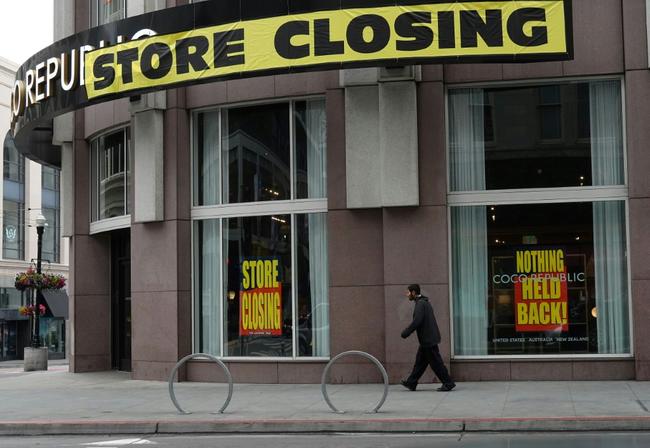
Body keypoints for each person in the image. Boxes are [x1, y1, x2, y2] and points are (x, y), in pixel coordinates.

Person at [400, 284, 456, 392]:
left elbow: (417, 321)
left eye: (408, 292)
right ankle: (411, 382)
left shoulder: (421, 304)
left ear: (414, 293)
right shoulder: (424, 302)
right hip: (427, 339)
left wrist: (406, 332)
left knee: (436, 363)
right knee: (420, 362)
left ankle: (448, 383)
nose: (407, 295)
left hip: (428, 339)